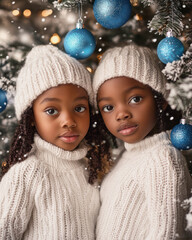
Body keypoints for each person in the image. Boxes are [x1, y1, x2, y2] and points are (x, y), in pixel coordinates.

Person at [0, 45, 110, 239]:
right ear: (31, 117)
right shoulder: (28, 173)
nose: (68, 121)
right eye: (51, 110)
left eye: (79, 108)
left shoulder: (91, 166)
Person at [92, 44, 192, 240]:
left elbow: (169, 234)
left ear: (160, 100)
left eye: (135, 99)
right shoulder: (124, 155)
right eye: (108, 107)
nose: (121, 114)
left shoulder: (163, 160)